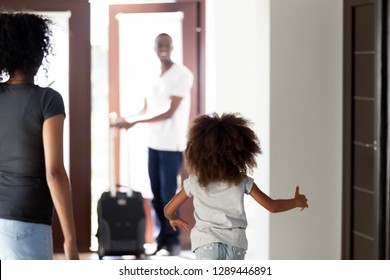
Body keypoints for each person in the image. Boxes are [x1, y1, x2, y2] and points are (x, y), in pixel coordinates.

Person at [164, 112, 309, 260]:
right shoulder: (241, 180)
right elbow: (272, 206)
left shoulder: (195, 181)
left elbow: (168, 209)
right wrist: (296, 202)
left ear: (199, 152)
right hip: (235, 244)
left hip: (205, 243)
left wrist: (173, 218)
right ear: (240, 151)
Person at [0, 11, 79, 260]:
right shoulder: (47, 100)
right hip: (27, 220)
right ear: (38, 52)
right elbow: (54, 172)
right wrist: (70, 241)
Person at [114, 33, 193, 256]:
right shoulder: (152, 76)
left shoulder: (182, 75)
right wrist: (126, 119)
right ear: (155, 48)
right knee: (156, 194)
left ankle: (173, 240)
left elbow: (169, 111)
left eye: (167, 44)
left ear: (173, 47)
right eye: (160, 44)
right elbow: (146, 109)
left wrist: (135, 120)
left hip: (172, 144)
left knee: (169, 195)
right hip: (153, 143)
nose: (164, 48)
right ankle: (162, 238)